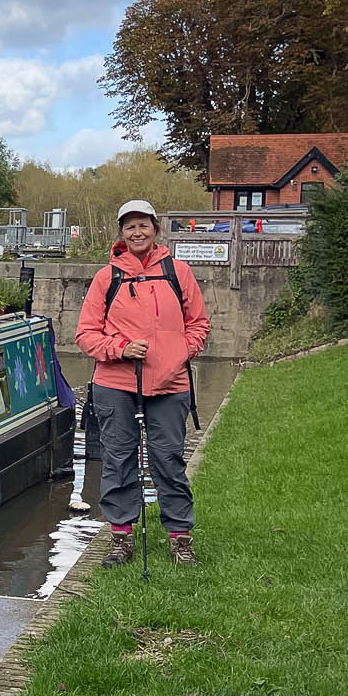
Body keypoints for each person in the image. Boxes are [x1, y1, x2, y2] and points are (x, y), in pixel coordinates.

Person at [74, 199, 210, 566]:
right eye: (130, 226)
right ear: (121, 233)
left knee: (168, 460)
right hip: (116, 384)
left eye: (143, 225)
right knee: (119, 461)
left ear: (155, 229)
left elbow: (199, 324)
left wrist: (179, 353)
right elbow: (85, 335)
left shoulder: (178, 273)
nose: (137, 232)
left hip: (170, 384)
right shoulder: (107, 279)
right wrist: (120, 349)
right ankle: (121, 538)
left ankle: (180, 539)